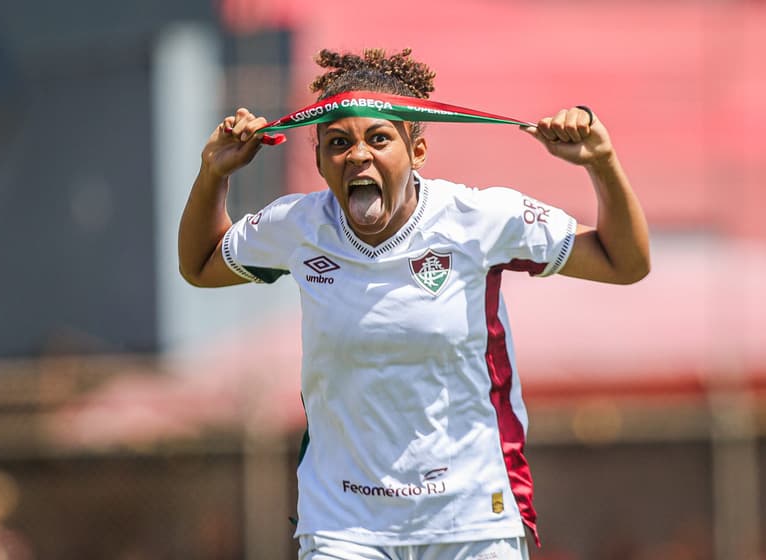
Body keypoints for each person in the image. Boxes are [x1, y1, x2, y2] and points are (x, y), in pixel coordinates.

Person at [178, 48, 650, 560]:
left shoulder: (478, 218)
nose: (357, 155)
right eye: (338, 143)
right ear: (317, 160)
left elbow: (623, 262)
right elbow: (200, 265)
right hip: (344, 524)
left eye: (378, 138)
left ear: (417, 150)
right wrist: (213, 173)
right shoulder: (298, 227)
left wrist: (601, 163)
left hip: (470, 519)